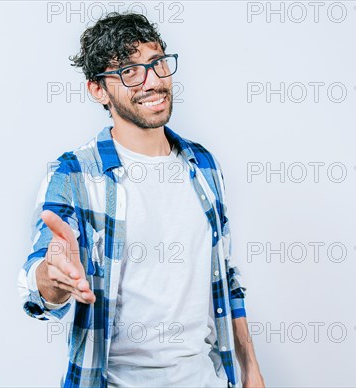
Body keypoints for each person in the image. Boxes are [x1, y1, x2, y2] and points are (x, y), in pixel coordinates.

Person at [17, 12, 265, 388]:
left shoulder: (204, 166)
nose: (153, 80)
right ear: (98, 90)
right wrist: (53, 278)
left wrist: (251, 370)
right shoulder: (75, 174)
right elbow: (39, 286)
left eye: (157, 63)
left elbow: (227, 278)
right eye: (130, 71)